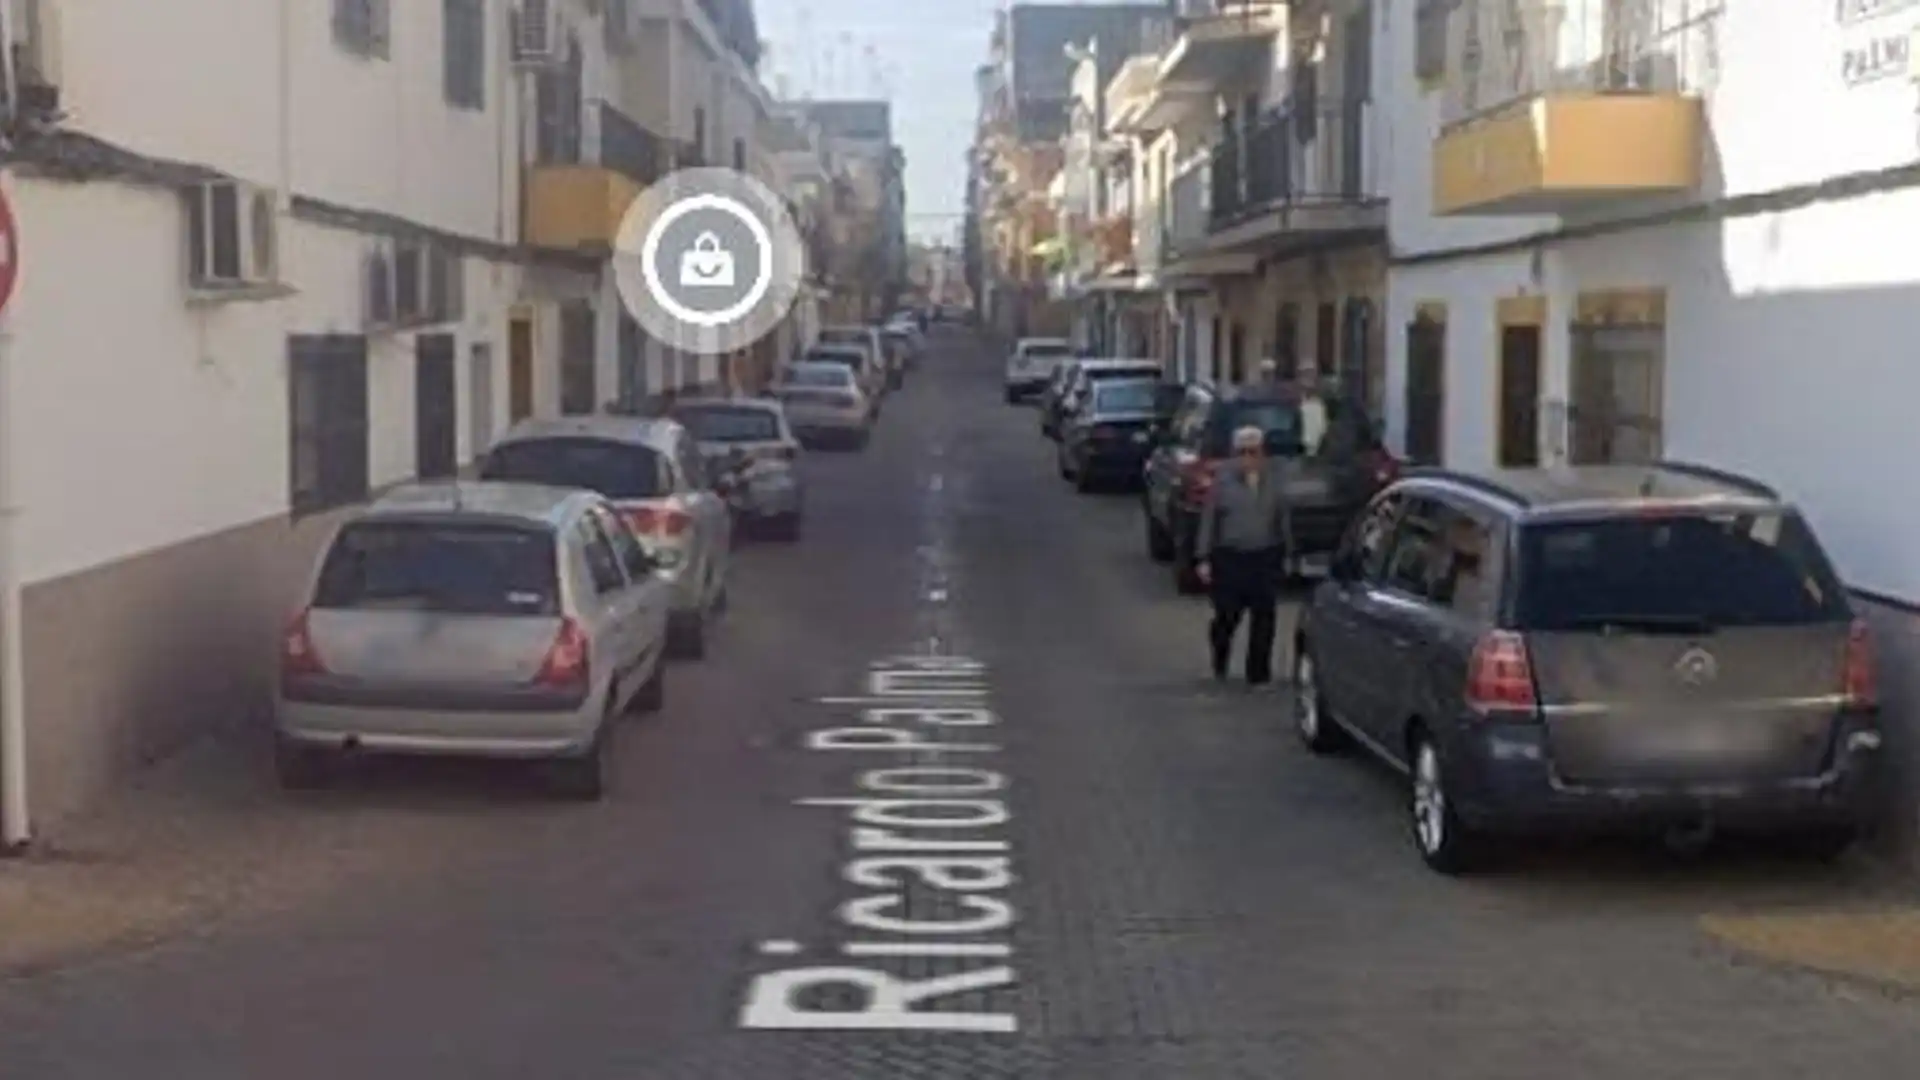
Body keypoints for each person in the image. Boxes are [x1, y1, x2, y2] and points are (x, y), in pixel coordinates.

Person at [1195, 425, 1292, 686]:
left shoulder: (1274, 478)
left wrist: (1288, 553)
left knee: (1264, 616)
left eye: (1254, 451)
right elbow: (1209, 520)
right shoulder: (1222, 480)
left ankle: (1258, 673)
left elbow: (1283, 517)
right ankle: (1220, 655)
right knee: (1228, 615)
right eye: (1242, 452)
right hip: (1230, 557)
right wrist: (1203, 557)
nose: (1248, 458)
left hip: (1264, 555)